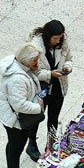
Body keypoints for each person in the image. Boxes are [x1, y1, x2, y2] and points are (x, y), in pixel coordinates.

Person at [0, 43, 44, 168]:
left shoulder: (21, 69)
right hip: (15, 120)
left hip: (12, 118)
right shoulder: (17, 79)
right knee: (15, 148)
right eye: (35, 61)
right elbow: (19, 104)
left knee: (13, 146)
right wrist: (37, 107)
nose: (37, 64)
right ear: (25, 61)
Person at [32, 20, 72, 155]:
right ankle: (31, 144)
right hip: (42, 88)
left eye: (60, 38)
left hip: (58, 87)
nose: (57, 41)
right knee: (36, 117)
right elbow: (33, 72)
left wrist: (67, 67)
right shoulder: (35, 48)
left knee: (53, 118)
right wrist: (50, 74)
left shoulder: (63, 44)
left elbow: (69, 59)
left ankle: (51, 145)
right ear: (47, 35)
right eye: (55, 38)